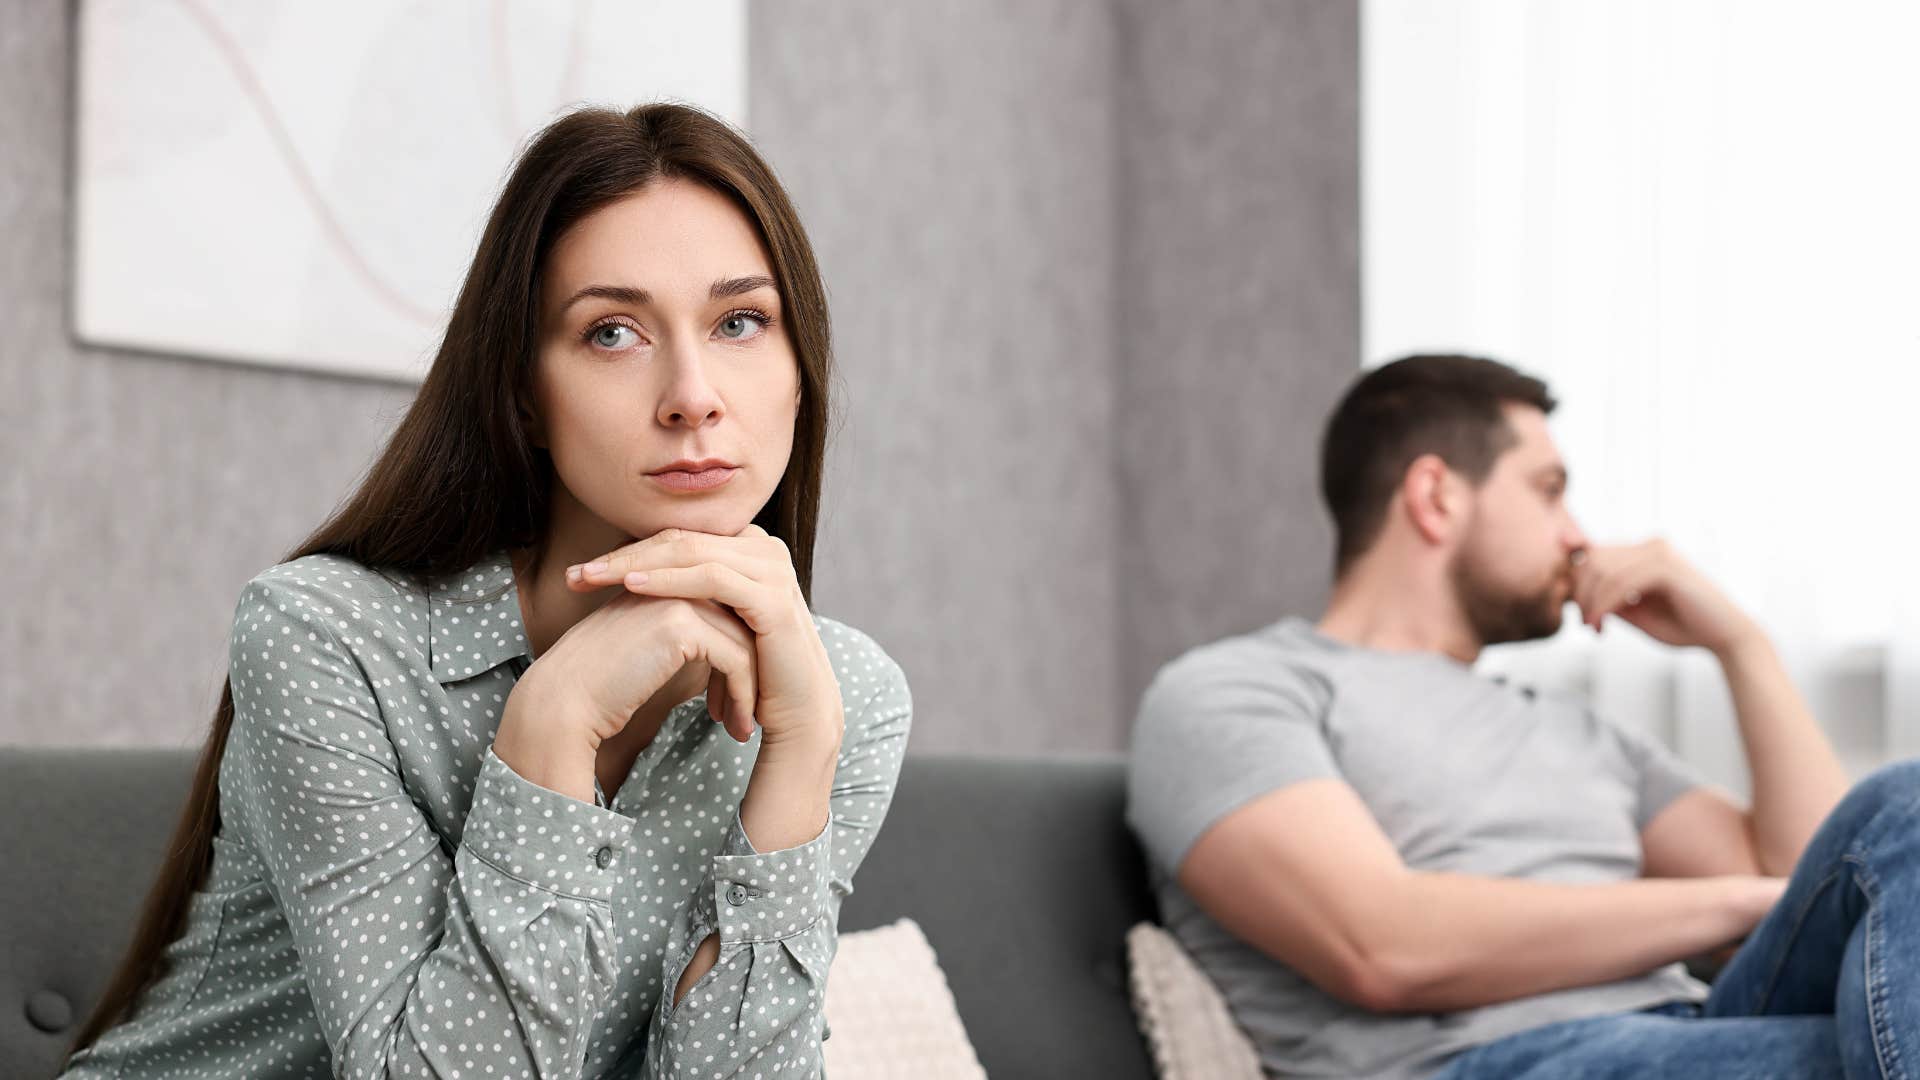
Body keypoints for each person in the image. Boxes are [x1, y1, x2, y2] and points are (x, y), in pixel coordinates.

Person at [59, 103, 911, 1078]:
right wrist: (553, 720)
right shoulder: (324, 639)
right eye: (614, 333)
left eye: (741, 322)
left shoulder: (841, 697)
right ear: (521, 395)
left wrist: (800, 756)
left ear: (803, 373)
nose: (693, 393)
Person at [1126, 354, 1917, 1079]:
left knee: (1905, 806)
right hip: (1485, 1061)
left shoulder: (1576, 731)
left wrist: (1743, 647)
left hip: (1694, 1033)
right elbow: (1383, 945)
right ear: (1435, 497)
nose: (1577, 534)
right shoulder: (1238, 691)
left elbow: (1823, 879)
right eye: (1549, 489)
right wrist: (1740, 901)